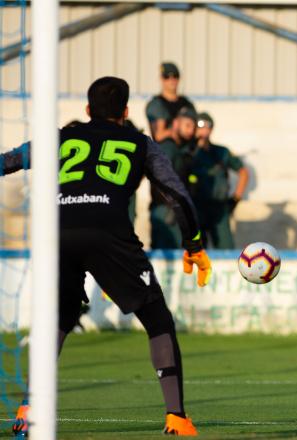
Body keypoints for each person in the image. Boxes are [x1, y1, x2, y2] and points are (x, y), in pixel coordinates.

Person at [2, 77, 211, 436]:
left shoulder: (62, 137)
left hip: (58, 231)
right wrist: (193, 243)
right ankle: (176, 416)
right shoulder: (139, 143)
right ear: (127, 112)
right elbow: (177, 196)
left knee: (61, 315)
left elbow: (10, 161)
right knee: (157, 319)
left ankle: (29, 407)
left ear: (87, 109)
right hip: (109, 231)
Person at [189, 112, 249, 249]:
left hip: (219, 208)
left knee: (226, 250)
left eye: (207, 126)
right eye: (200, 126)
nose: (204, 130)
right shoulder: (188, 152)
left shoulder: (221, 152)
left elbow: (244, 173)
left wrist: (235, 199)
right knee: (197, 252)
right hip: (196, 208)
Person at [150, 107, 198, 249]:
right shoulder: (168, 147)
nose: (191, 130)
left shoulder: (180, 148)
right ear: (176, 123)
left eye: (193, 127)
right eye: (187, 125)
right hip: (166, 211)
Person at [146, 62, 196, 143]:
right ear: (161, 79)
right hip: (166, 150)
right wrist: (175, 131)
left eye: (175, 76)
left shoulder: (187, 103)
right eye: (167, 76)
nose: (172, 80)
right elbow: (159, 135)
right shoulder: (156, 104)